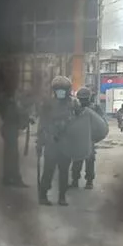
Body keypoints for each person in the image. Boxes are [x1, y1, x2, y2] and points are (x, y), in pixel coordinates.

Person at [36, 76, 87, 206]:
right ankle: (43, 195)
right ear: (54, 90)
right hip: (51, 142)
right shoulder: (48, 104)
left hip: (66, 143)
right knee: (48, 170)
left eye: (63, 89)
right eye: (58, 89)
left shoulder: (74, 103)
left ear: (68, 89)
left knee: (64, 172)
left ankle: (62, 196)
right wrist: (39, 143)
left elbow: (80, 122)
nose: (60, 92)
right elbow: (42, 124)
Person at [70, 86, 106, 189]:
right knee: (79, 160)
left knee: (88, 160)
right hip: (80, 138)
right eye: (81, 99)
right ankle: (77, 180)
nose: (83, 101)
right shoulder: (76, 108)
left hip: (89, 137)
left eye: (84, 99)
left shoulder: (94, 108)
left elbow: (101, 122)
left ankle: (88, 181)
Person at [0, 90, 29, 188]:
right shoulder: (11, 105)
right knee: (12, 155)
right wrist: (23, 119)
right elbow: (13, 117)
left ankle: (8, 177)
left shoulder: (9, 103)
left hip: (8, 130)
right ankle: (14, 178)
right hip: (10, 130)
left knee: (9, 155)